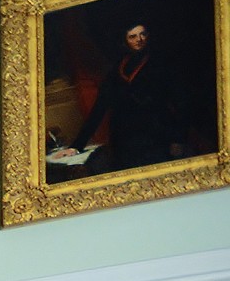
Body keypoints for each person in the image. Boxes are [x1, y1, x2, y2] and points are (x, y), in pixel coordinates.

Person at [56, 22, 188, 174]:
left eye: (143, 34)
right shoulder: (117, 70)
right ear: (125, 41)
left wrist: (178, 138)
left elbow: (181, 102)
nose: (139, 39)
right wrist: (77, 145)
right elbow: (99, 108)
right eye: (133, 36)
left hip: (157, 136)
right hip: (124, 140)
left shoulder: (160, 63)